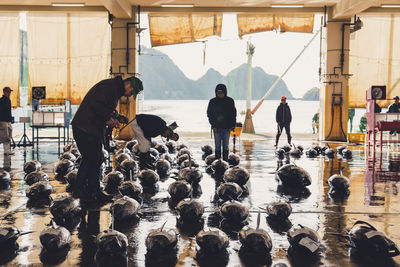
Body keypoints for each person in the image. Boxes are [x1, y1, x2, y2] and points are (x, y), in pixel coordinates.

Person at [71, 76, 143, 201]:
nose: (130, 95)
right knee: (91, 158)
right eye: (132, 92)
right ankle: (81, 191)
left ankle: (93, 191)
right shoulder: (110, 87)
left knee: (96, 158)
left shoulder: (113, 89)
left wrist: (117, 116)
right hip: (85, 128)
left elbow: (105, 107)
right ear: (129, 85)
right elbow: (96, 105)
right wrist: (108, 120)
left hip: (90, 128)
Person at [207, 84, 236, 161]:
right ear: (216, 93)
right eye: (218, 93)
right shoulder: (212, 101)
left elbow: (233, 114)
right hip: (216, 128)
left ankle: (225, 161)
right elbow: (209, 114)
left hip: (227, 128)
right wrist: (213, 125)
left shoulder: (230, 101)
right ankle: (217, 161)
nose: (220, 95)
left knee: (226, 146)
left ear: (225, 92)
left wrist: (233, 125)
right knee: (217, 146)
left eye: (221, 93)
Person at [0, 87, 14, 155]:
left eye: (10, 92)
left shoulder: (9, 100)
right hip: (3, 121)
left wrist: (11, 119)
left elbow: (9, 111)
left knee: (9, 136)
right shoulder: (1, 100)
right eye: (8, 92)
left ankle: (7, 150)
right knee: (4, 136)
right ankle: (6, 151)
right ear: (4, 92)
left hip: (8, 121)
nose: (9, 93)